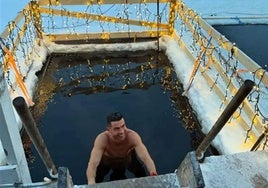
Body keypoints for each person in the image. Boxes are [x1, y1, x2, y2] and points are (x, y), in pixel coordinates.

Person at [86, 112, 157, 184]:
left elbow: (146, 158)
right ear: (108, 130)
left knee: (140, 172)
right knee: (98, 177)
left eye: (123, 126)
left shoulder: (132, 137)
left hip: (128, 163)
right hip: (107, 165)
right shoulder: (102, 140)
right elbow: (92, 164)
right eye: (117, 128)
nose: (121, 131)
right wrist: (91, 182)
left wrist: (152, 172)